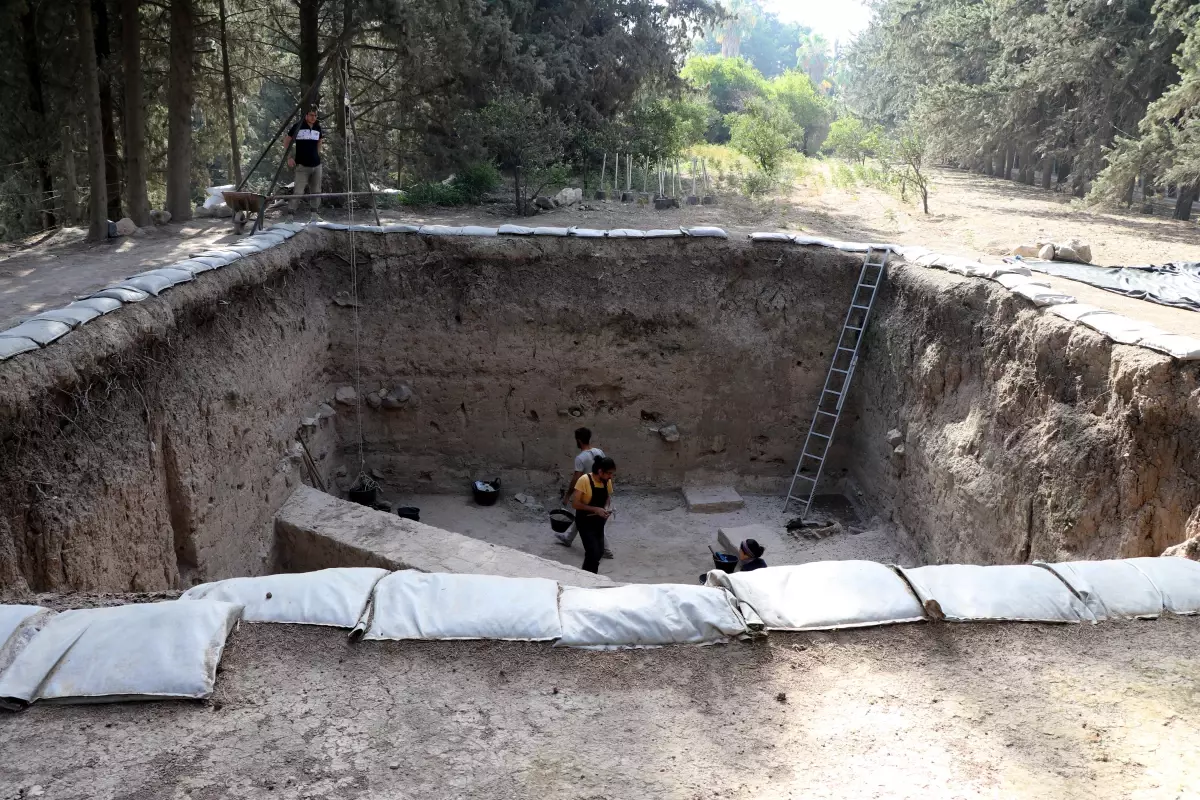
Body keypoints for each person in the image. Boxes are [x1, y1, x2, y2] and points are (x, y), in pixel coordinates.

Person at [554, 427, 612, 557]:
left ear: (579, 440)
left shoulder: (580, 458)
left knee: (595, 521)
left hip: (589, 493)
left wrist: (568, 495)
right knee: (582, 517)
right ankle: (568, 538)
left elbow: (576, 479)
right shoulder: (599, 452)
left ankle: (606, 551)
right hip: (601, 490)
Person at [571, 456, 616, 574]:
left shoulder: (607, 481)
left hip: (599, 522)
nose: (611, 476)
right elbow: (575, 504)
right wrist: (595, 509)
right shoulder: (584, 480)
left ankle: (591, 577)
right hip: (585, 522)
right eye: (609, 473)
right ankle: (586, 577)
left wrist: (606, 508)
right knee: (592, 551)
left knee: (600, 551)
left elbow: (607, 497)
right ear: (600, 471)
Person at [284, 104, 323, 220]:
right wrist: (289, 157)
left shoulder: (318, 127)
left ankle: (314, 215)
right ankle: (290, 216)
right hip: (302, 165)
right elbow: (286, 141)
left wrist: (317, 154)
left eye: (315, 115)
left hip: (316, 165)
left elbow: (320, 142)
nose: (313, 117)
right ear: (306, 115)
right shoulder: (298, 126)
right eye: (311, 115)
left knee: (316, 191)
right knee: (298, 191)